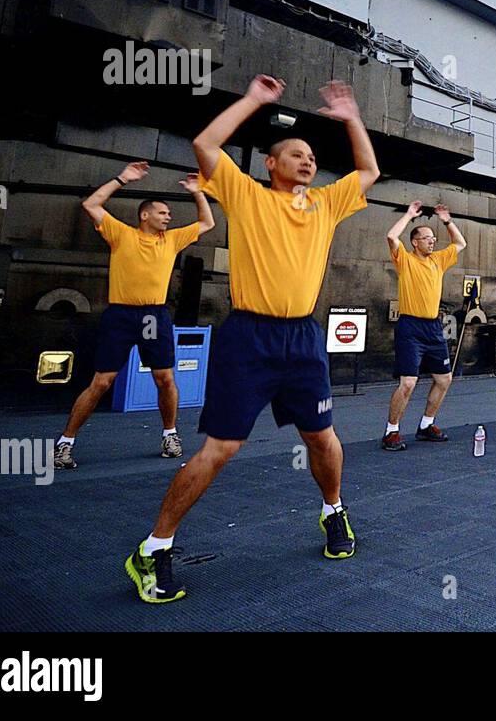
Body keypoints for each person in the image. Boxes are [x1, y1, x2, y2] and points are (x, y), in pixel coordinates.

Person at [125, 75, 380, 604]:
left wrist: (352, 115)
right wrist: (253, 100)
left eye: (311, 156)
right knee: (221, 447)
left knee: (322, 439)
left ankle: (334, 511)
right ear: (271, 163)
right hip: (249, 337)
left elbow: (369, 170)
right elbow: (204, 146)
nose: (307, 161)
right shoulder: (244, 194)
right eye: (295, 154)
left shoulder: (327, 204)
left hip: (303, 340)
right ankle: (153, 548)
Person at [55, 162, 214, 469]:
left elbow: (207, 223)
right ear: (145, 215)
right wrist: (122, 178)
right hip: (121, 316)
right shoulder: (121, 235)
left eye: (169, 213)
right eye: (162, 212)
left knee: (164, 378)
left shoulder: (172, 240)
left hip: (153, 317)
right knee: (102, 382)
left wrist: (198, 192)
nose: (168, 216)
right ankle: (65, 443)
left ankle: (170, 435)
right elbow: (91, 204)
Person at [381, 200, 467, 449]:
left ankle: (426, 425)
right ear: (415, 242)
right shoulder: (404, 260)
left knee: (444, 379)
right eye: (427, 238)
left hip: (433, 327)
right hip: (410, 328)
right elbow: (391, 236)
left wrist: (447, 221)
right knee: (408, 382)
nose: (432, 241)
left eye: (433, 238)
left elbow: (460, 243)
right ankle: (391, 431)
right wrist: (409, 214)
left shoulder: (438, 260)